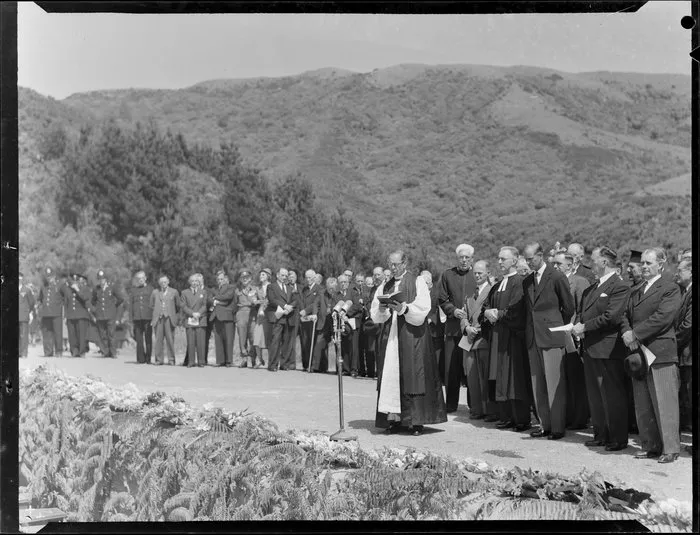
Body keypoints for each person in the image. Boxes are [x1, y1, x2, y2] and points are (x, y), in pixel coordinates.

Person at [371, 250, 447, 435]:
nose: (393, 267)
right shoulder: (385, 284)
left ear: (405, 263)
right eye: (390, 264)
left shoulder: (417, 281)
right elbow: (376, 312)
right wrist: (383, 308)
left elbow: (423, 307)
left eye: (396, 264)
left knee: (414, 373)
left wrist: (404, 308)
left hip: (412, 335)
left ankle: (415, 420)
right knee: (391, 374)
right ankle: (393, 418)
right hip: (392, 337)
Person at [621, 248, 682, 463]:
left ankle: (671, 448)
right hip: (639, 354)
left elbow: (663, 317)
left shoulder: (670, 288)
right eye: (643, 263)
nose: (644, 267)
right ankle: (651, 445)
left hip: (660, 352)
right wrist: (627, 332)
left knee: (664, 402)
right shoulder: (636, 291)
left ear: (661, 264)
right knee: (644, 402)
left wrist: (635, 334)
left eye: (649, 263)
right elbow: (625, 315)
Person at [573, 246, 631, 452]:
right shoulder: (593, 287)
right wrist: (580, 327)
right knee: (596, 395)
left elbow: (612, 316)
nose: (592, 263)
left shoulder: (619, 285)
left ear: (604, 262)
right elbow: (583, 313)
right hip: (591, 347)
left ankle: (616, 437)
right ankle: (601, 434)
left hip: (608, 348)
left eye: (594, 259)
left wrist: (585, 327)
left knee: (612, 394)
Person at [522, 242, 575, 440]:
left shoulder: (556, 276)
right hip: (533, 337)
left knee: (554, 384)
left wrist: (557, 326)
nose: (528, 263)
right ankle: (545, 424)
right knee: (538, 384)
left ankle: (557, 427)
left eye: (531, 259)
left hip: (552, 336)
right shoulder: (527, 281)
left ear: (541, 255)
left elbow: (568, 307)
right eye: (526, 260)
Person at [484, 247, 532, 430]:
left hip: (513, 337)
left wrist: (500, 314)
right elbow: (487, 305)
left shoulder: (520, 282)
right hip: (498, 335)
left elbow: (518, 310)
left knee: (514, 377)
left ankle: (520, 418)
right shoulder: (498, 284)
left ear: (515, 260)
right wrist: (488, 312)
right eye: (499, 258)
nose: (500, 262)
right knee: (500, 376)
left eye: (503, 259)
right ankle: (505, 416)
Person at [553, 251, 592, 430]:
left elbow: (583, 309)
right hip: (556, 336)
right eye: (553, 264)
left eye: (559, 264)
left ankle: (579, 417)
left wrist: (575, 329)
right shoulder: (552, 281)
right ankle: (566, 415)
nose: (555, 267)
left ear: (570, 265)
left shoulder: (579, 282)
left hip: (573, 336)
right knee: (563, 378)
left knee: (576, 379)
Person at [438, 243, 478, 413]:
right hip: (453, 328)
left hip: (471, 330)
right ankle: (451, 404)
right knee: (451, 368)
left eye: (467, 257)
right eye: (461, 257)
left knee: (470, 367)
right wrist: (453, 311)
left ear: (472, 259)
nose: (463, 260)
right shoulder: (448, 275)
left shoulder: (477, 276)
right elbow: (441, 298)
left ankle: (474, 404)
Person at [462, 260, 495, 421]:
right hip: (469, 339)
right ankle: (476, 409)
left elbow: (490, 315)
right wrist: (467, 327)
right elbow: (463, 314)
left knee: (485, 376)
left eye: (480, 273)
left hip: (483, 339)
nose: (477, 275)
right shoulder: (469, 295)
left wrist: (478, 329)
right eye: (475, 273)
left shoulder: (492, 291)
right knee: (472, 377)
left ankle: (489, 410)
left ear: (488, 273)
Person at [673, 258, 692, 437]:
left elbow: (688, 325)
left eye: (680, 270)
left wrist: (672, 343)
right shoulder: (685, 291)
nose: (677, 273)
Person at [266, 267, 296, 371]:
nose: (284, 277)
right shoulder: (271, 286)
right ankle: (272, 365)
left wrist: (290, 307)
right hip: (277, 317)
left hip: (287, 317)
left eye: (286, 276)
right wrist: (285, 306)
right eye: (282, 275)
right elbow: (272, 300)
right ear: (277, 275)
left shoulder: (289, 288)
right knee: (275, 341)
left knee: (286, 342)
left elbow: (294, 300)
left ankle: (284, 364)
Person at [92, 269, 126, 359]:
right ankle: (106, 352)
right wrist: (95, 311)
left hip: (110, 315)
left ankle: (113, 352)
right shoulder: (96, 289)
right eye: (99, 279)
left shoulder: (112, 288)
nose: (101, 281)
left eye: (102, 279)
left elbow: (121, 299)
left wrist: (114, 307)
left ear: (106, 279)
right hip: (100, 316)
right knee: (102, 335)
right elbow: (93, 301)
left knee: (111, 334)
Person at [336, 274, 363, 377]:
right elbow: (335, 305)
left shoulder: (354, 293)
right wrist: (341, 316)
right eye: (341, 282)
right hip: (341, 323)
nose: (343, 284)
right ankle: (345, 369)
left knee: (354, 347)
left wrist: (346, 314)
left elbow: (357, 306)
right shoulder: (337, 295)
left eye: (345, 282)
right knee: (344, 346)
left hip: (352, 322)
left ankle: (354, 369)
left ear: (348, 283)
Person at [208, 270, 236, 367]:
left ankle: (229, 361)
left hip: (227, 317)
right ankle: (220, 360)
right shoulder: (215, 289)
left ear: (226, 279)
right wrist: (215, 300)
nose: (220, 281)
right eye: (218, 279)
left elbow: (227, 297)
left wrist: (216, 299)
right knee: (218, 338)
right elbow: (209, 299)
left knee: (228, 339)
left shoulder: (231, 287)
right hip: (216, 316)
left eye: (222, 279)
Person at [150, 274, 180, 365]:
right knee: (158, 340)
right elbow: (151, 305)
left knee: (170, 339)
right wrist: (157, 312)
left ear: (168, 282)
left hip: (169, 319)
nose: (163, 283)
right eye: (161, 282)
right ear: (159, 283)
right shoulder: (155, 292)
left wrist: (173, 315)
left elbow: (178, 306)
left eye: (165, 282)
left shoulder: (174, 292)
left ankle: (171, 359)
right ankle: (159, 359)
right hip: (158, 319)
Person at [37, 266, 66, 357]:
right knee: (47, 333)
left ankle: (59, 351)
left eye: (50, 276)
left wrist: (63, 308)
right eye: (47, 277)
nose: (49, 279)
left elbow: (66, 297)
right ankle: (48, 352)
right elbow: (40, 298)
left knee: (57, 333)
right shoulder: (43, 286)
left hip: (57, 313)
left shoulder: (60, 285)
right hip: (46, 313)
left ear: (54, 276)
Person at [181, 273, 208, 368]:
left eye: (196, 281)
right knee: (191, 342)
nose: (194, 283)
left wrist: (199, 314)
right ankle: (191, 361)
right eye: (192, 281)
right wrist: (192, 313)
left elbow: (205, 305)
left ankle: (201, 362)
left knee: (201, 342)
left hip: (200, 319)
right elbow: (183, 306)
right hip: (190, 319)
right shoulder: (184, 292)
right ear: (189, 282)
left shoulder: (203, 292)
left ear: (199, 282)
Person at [64, 271, 91, 358]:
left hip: (82, 315)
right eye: (73, 280)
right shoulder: (68, 290)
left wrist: (77, 289)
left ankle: (82, 351)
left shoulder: (85, 289)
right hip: (71, 314)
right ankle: (74, 351)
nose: (75, 282)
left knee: (81, 335)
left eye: (77, 280)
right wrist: (65, 315)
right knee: (72, 335)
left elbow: (85, 298)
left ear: (80, 281)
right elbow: (66, 302)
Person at [235, 270, 259, 368]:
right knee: (242, 337)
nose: (245, 279)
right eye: (243, 278)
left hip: (252, 313)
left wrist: (256, 303)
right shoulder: (237, 290)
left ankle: (253, 358)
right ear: (240, 279)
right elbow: (234, 304)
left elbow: (260, 301)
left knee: (253, 337)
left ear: (250, 279)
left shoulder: (255, 289)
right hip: (241, 313)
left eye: (247, 277)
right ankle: (244, 358)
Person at [299, 269, 322, 371]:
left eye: (310, 277)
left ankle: (312, 365)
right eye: (306, 277)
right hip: (304, 319)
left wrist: (306, 310)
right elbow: (301, 300)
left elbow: (317, 302)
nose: (308, 279)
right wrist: (302, 310)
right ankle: (305, 364)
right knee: (304, 342)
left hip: (313, 318)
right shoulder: (304, 289)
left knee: (312, 341)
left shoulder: (319, 288)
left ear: (314, 277)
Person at [129, 270, 154, 364]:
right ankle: (140, 358)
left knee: (148, 338)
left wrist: (153, 318)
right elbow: (131, 305)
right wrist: (131, 319)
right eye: (138, 278)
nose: (140, 280)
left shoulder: (151, 289)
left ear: (145, 278)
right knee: (139, 339)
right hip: (137, 318)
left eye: (142, 278)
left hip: (148, 317)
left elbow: (154, 304)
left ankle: (148, 359)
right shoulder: (133, 290)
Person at [252, 268, 272, 368]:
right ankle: (260, 360)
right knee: (256, 338)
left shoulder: (272, 286)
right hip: (260, 315)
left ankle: (271, 362)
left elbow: (273, 299)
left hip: (269, 315)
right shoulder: (257, 288)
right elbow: (253, 298)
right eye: (260, 275)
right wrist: (256, 301)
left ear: (268, 276)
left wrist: (264, 304)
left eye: (263, 275)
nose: (261, 276)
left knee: (269, 339)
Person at [19, 272, 36, 358]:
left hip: (24, 315)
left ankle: (24, 353)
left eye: (20, 278)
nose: (18, 279)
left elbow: (32, 302)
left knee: (24, 335)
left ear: (22, 279)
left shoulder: (27, 290)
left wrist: (29, 312)